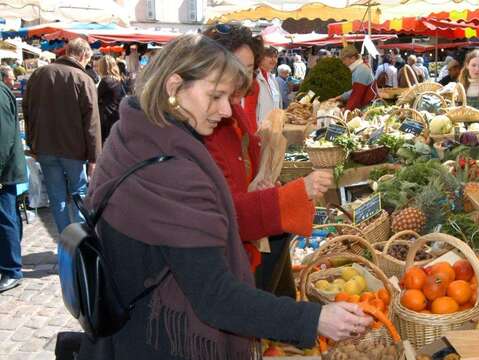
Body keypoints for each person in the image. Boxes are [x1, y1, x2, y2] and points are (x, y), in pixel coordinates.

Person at [78, 34, 372, 360]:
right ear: (174, 86)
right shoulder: (174, 173)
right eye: (215, 96)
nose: (225, 110)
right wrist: (316, 318)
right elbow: (215, 296)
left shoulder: (131, 133)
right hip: (164, 339)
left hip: (128, 329)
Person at [203, 24, 333, 295]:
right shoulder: (202, 129)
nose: (246, 82)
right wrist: (297, 192)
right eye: (237, 69)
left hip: (246, 249)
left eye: (249, 71)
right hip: (225, 267)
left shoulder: (229, 113)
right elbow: (226, 212)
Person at [22, 38, 101, 234]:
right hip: (73, 149)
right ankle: (81, 242)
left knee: (57, 198)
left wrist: (32, 143)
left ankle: (67, 242)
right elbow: (92, 122)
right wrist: (94, 158)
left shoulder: (39, 74)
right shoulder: (83, 79)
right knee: (79, 194)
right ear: (82, 56)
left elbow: (27, 111)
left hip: (45, 147)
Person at [0, 65, 26, 293]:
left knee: (5, 216)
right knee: (9, 215)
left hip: (4, 168)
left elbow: (3, 137)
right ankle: (11, 265)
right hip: (7, 166)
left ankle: (11, 269)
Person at [335, 45, 376, 110]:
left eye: (344, 59)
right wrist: (340, 97)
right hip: (367, 105)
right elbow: (354, 90)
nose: (343, 62)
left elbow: (356, 96)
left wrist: (346, 111)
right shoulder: (359, 68)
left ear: (353, 58)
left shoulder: (361, 70)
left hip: (369, 107)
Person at [96, 56, 126, 143]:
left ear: (103, 67)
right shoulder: (118, 79)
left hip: (106, 116)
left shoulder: (105, 81)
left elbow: (96, 97)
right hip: (116, 113)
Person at [255, 46, 281, 126]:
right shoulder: (254, 78)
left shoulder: (272, 79)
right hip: (259, 128)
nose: (274, 60)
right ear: (260, 58)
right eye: (270, 56)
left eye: (275, 57)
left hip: (274, 126)